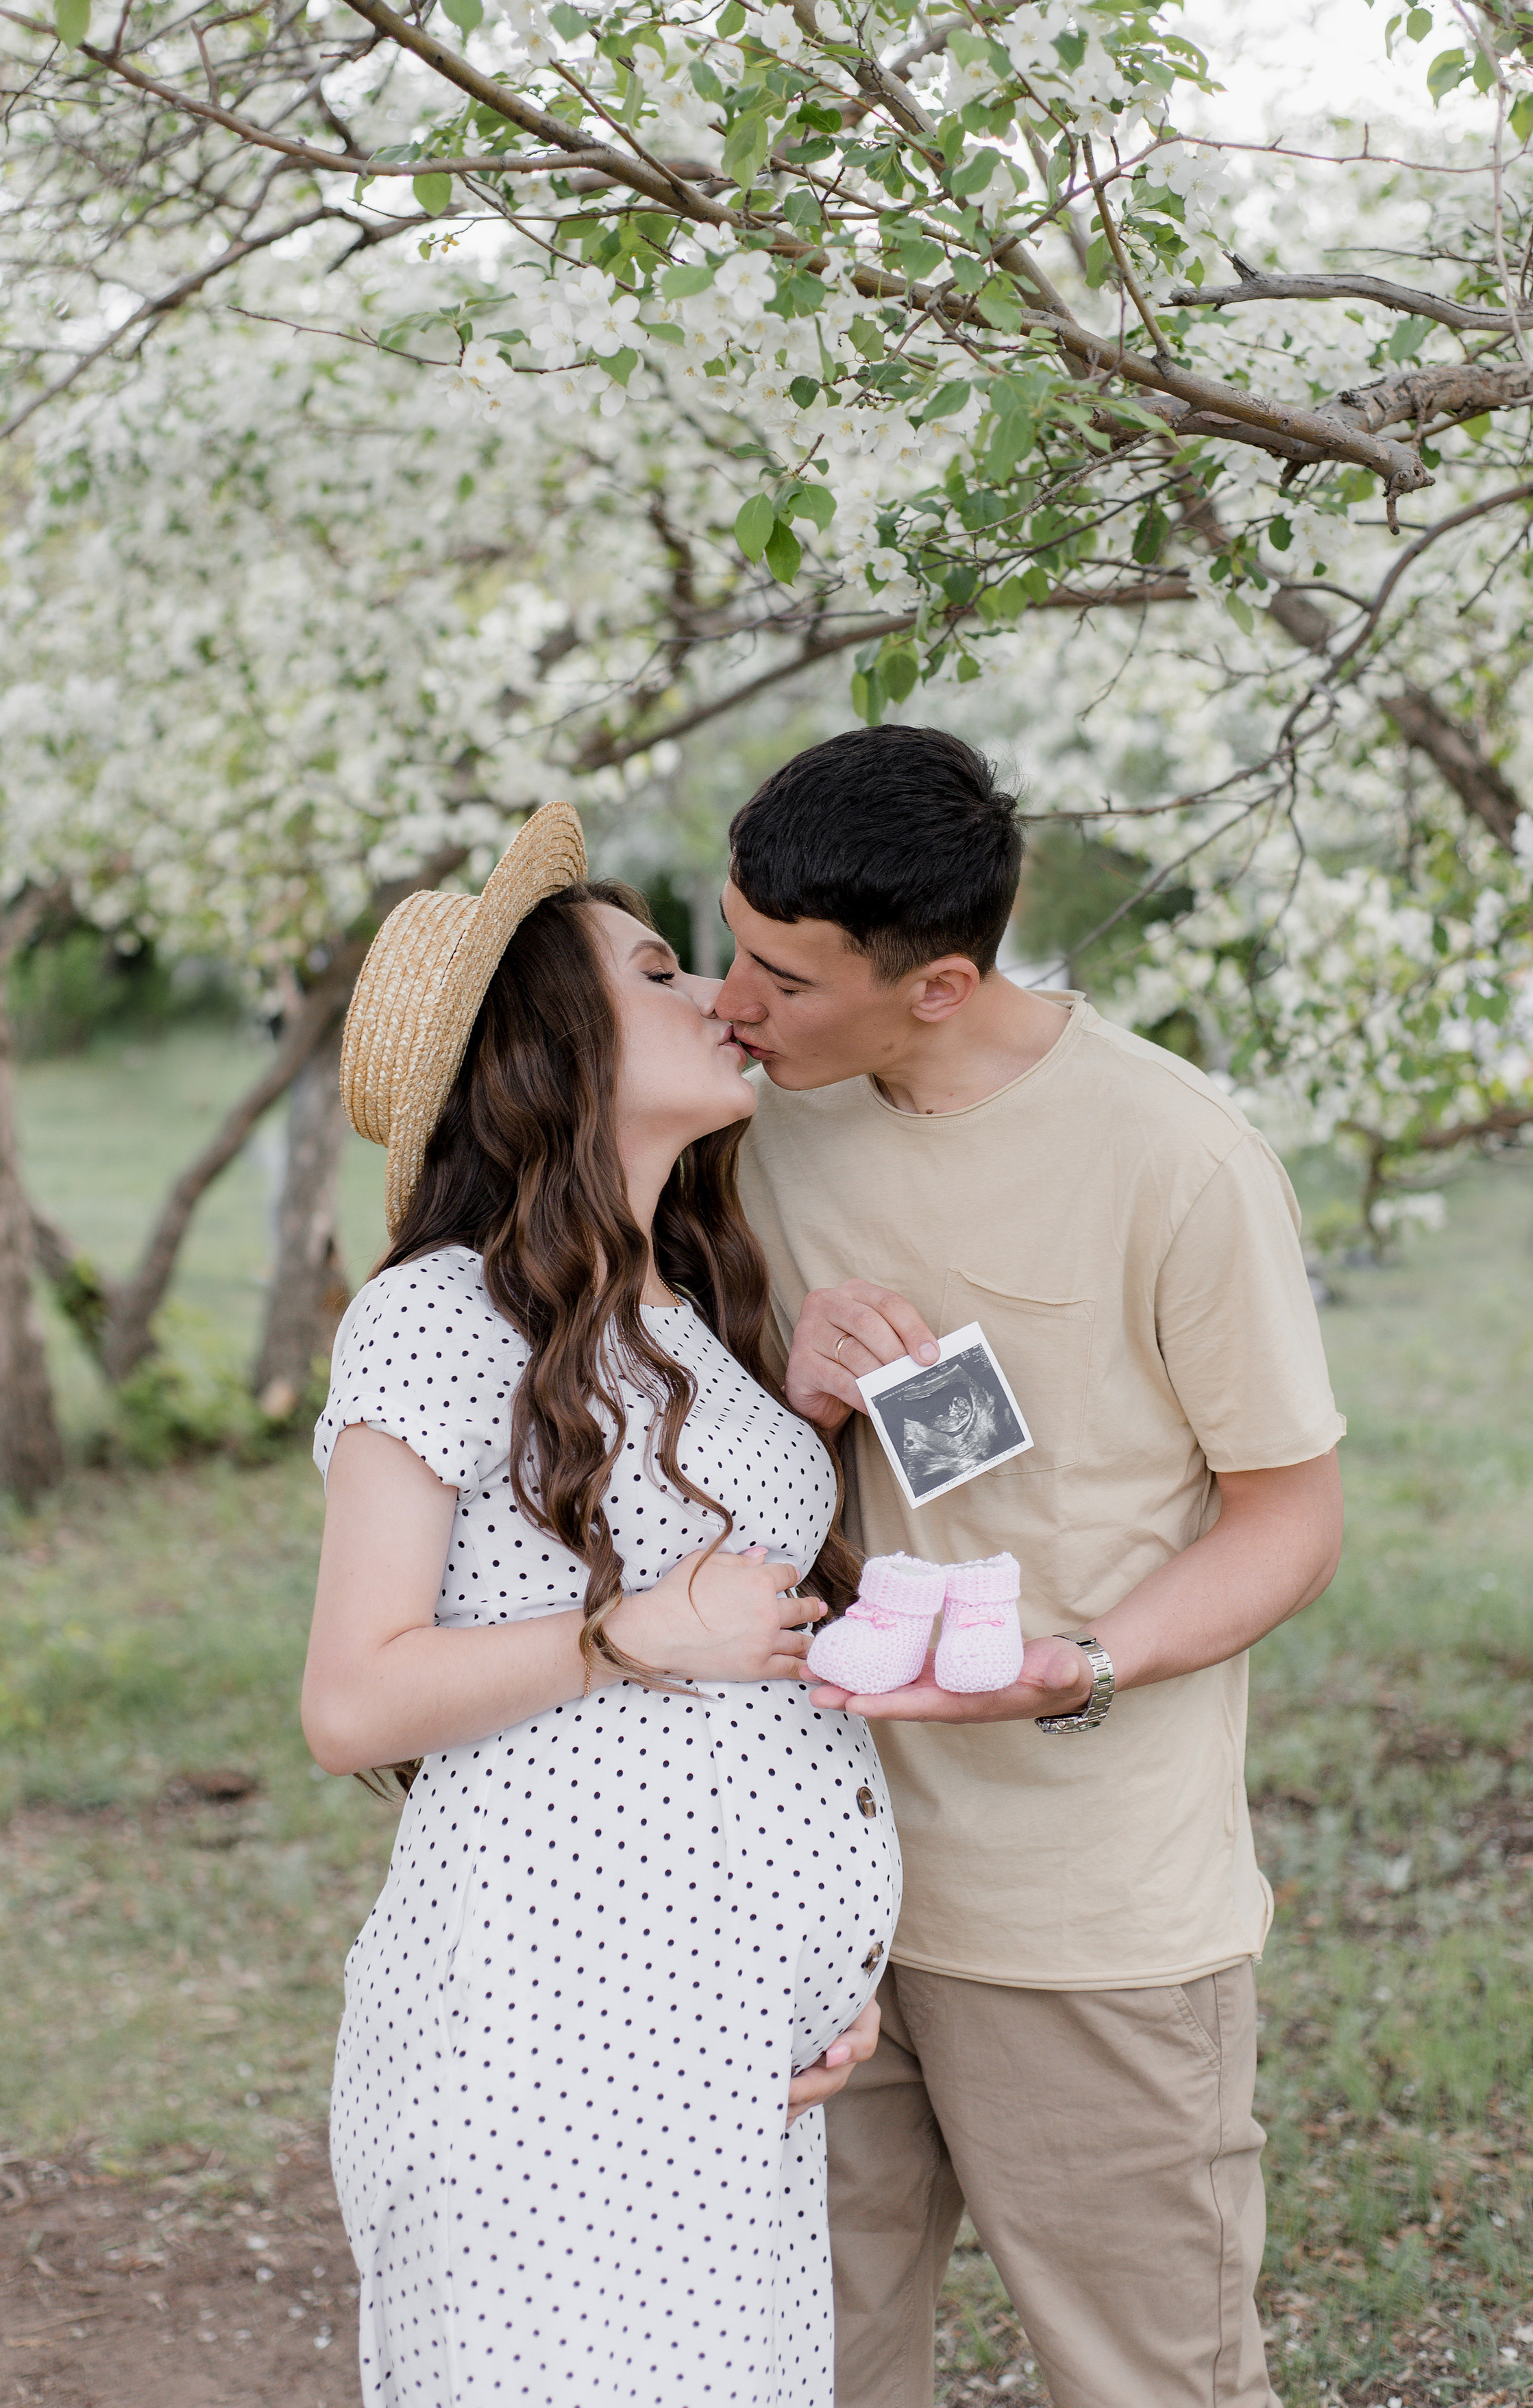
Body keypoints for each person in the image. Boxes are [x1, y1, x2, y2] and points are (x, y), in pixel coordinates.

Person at [720, 727, 1346, 2408]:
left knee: (1146, 2381)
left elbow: (1290, 1516)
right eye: (725, 945)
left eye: (779, 975)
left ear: (933, 985)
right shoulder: (756, 1120)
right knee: (805, 2370)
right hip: (807, 1887)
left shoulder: (1174, 1157)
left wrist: (1075, 1664)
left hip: (1087, 1910)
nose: (732, 1000)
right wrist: (789, 1363)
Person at [302, 802, 899, 2408]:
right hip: (542, 2045)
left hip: (720, 2055)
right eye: (654, 971)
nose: (715, 993)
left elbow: (723, 1620)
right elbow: (349, 1697)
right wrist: (629, 1631)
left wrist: (804, 1424)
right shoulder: (434, 1318)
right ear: (550, 1047)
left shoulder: (690, 1317)